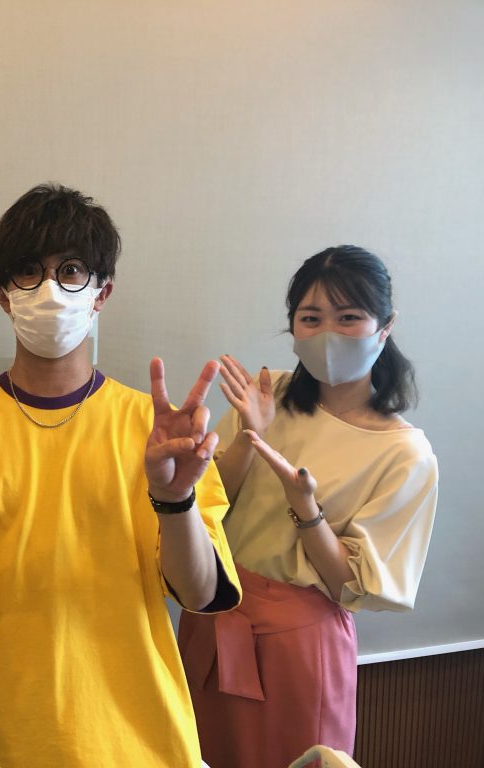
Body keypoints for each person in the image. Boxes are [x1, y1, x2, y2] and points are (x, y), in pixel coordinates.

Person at [0, 184, 242, 767]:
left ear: (102, 292)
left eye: (71, 270)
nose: (50, 289)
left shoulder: (157, 433)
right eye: (29, 272)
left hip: (133, 735)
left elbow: (201, 593)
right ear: (4, 295)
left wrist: (175, 499)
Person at [178, 245, 438, 767]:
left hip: (296, 644)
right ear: (293, 326)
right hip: (213, 616)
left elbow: (350, 586)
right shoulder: (267, 394)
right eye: (311, 318)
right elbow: (206, 509)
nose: (328, 334)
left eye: (349, 318)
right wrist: (249, 434)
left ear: (385, 326)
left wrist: (307, 510)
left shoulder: (405, 453)